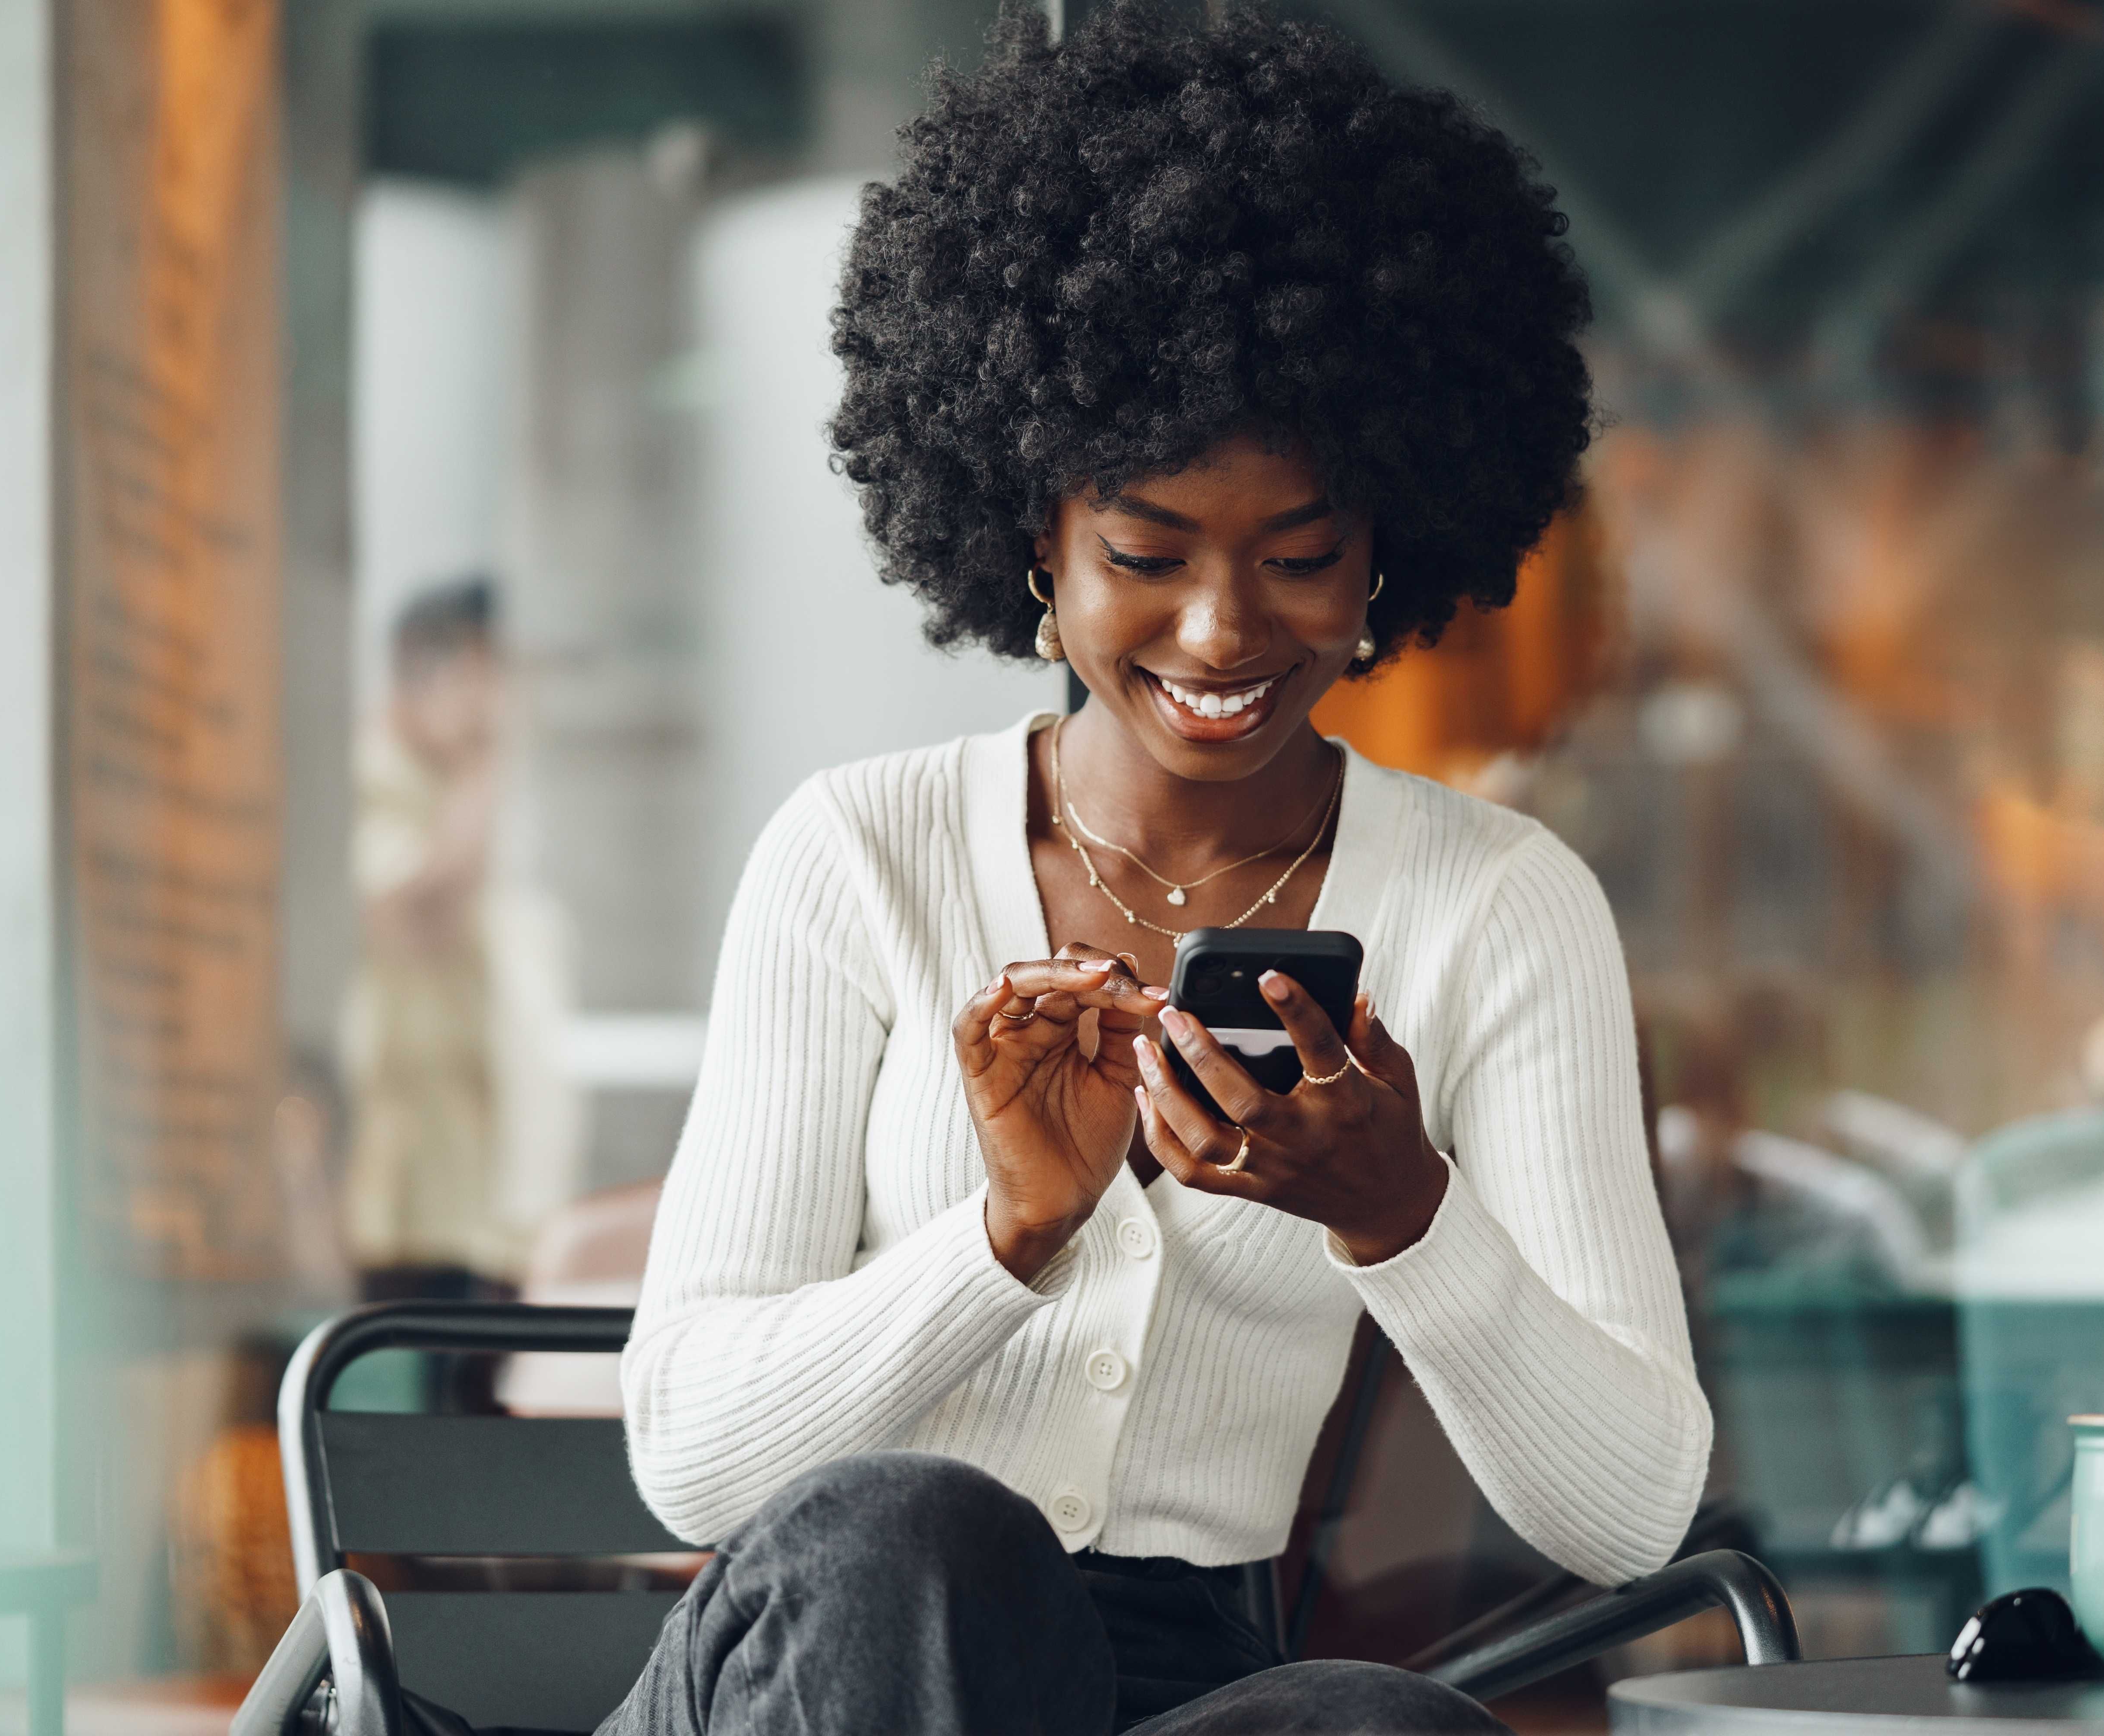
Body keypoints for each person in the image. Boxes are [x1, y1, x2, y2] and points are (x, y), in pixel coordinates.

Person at [604, 7, 1709, 1731]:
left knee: (1384, 1724)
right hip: (835, 1649)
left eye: (1298, 554)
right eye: (1146, 552)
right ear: (1030, 542)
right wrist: (1010, 1229)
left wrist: (1399, 1214)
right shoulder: (860, 855)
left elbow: (1630, 1511)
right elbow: (687, 1453)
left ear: (1382, 560)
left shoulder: (1493, 907)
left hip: (1178, 1683)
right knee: (918, 1535)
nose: (1222, 629)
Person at [343, 578, 582, 1351]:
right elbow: (421, 918)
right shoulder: (370, 779)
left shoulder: (457, 790)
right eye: (489, 676)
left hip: (476, 1181)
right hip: (404, 1187)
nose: (503, 703)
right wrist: (484, 764)